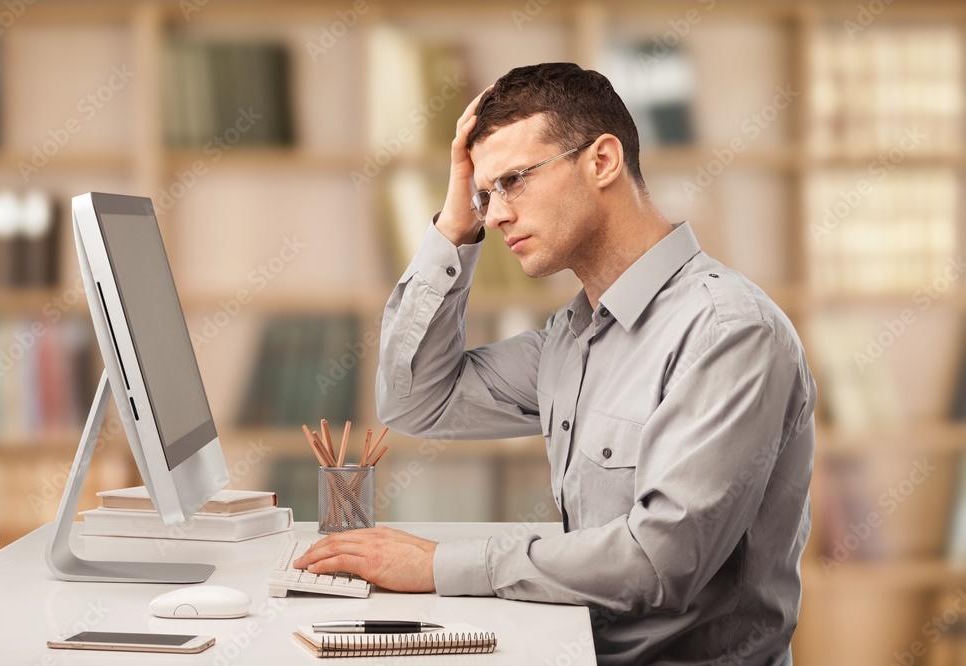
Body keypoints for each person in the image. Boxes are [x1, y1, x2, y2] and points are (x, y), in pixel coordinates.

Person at [296, 62, 816, 665]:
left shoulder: (727, 333)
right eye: (485, 195)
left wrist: (438, 566)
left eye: (513, 181)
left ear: (602, 161)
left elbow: (659, 561)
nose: (493, 214)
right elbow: (414, 399)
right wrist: (454, 226)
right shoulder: (571, 339)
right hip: (570, 647)